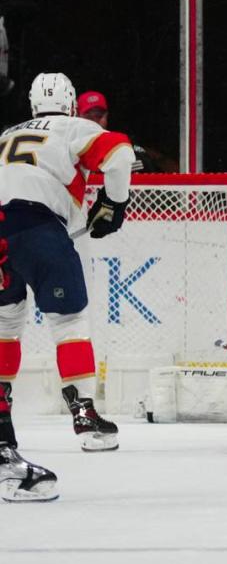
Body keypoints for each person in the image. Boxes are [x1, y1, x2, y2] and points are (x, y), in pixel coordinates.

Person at [0, 72, 133, 464]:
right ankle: (84, 414)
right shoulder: (74, 125)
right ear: (72, 102)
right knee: (69, 320)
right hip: (37, 225)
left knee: (6, 322)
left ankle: (2, 420)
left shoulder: (7, 134)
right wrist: (115, 203)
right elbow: (120, 152)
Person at [77, 90, 166, 173]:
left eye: (99, 116)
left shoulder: (121, 143)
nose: (94, 121)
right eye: (89, 117)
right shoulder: (67, 144)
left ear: (106, 116)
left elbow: (147, 166)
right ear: (77, 117)